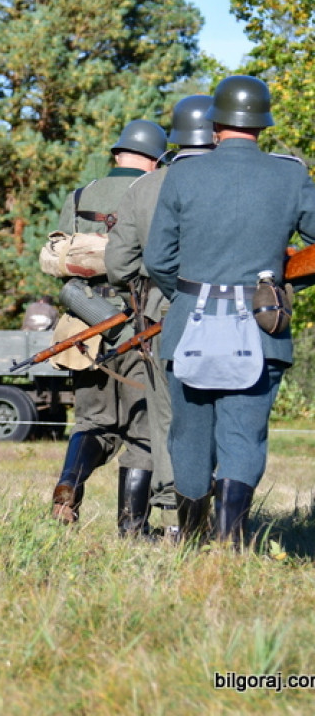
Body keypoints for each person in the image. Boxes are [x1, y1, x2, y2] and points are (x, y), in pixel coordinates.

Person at [144, 75, 315, 547]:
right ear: (262, 123)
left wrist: (186, 296)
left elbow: (157, 260)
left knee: (190, 439)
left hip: (188, 325)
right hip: (262, 327)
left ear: (215, 122)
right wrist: (284, 280)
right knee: (244, 437)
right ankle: (229, 538)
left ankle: (193, 537)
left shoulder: (182, 173)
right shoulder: (291, 174)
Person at [47, 119, 167, 536]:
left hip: (86, 326)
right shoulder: (157, 190)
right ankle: (132, 527)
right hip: (142, 324)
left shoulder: (80, 196)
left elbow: (59, 263)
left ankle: (69, 484)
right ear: (154, 158)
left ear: (118, 153)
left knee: (92, 422)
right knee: (142, 429)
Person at [105, 95, 216, 538]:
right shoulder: (232, 181)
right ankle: (223, 516)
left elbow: (118, 266)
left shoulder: (146, 187)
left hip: (161, 313)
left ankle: (179, 517)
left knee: (169, 418)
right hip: (233, 309)